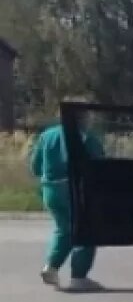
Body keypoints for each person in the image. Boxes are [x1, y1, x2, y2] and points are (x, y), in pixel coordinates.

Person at [28, 115, 105, 290]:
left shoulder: (47, 135)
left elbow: (35, 166)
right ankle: (79, 276)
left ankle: (51, 266)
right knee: (86, 229)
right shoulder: (86, 137)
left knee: (63, 229)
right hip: (73, 190)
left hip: (49, 190)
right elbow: (99, 165)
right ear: (83, 118)